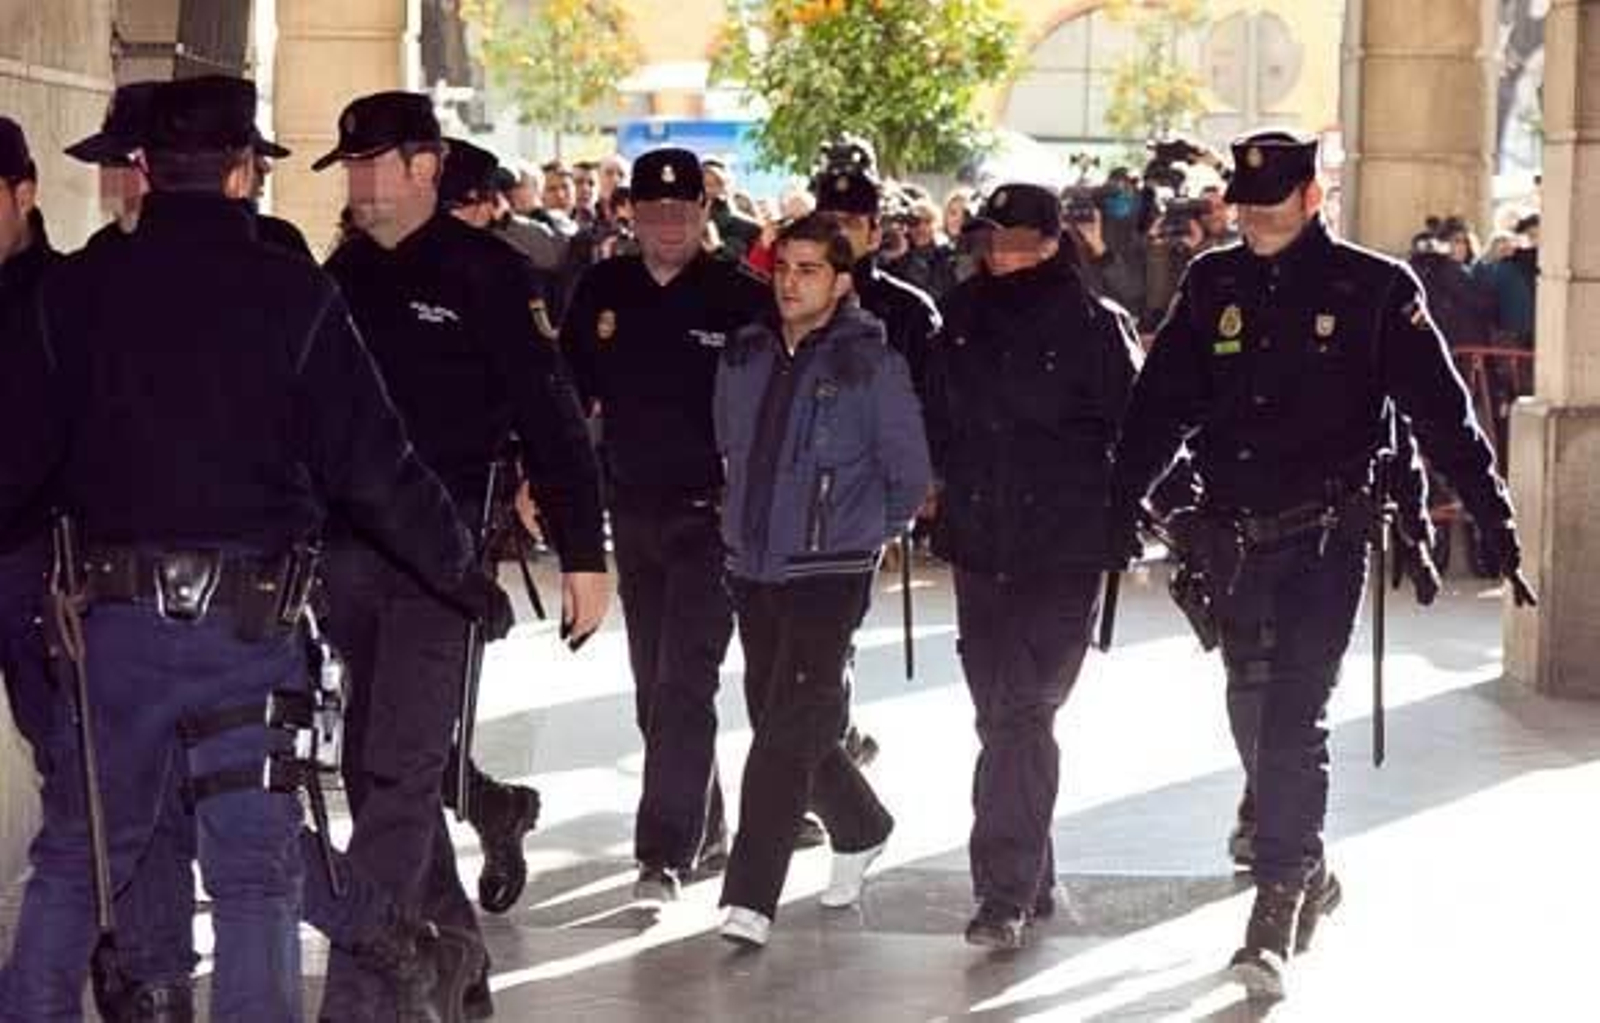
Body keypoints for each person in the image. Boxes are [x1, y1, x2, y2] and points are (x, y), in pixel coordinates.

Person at [0, 74, 508, 1022]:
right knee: (253, 877)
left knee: (75, 858)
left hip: (113, 632)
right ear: (242, 173)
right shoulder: (292, 288)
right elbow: (375, 460)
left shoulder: (75, 291)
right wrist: (459, 570)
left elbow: (18, 460)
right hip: (248, 628)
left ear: (144, 170)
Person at [1110, 128, 1534, 1001]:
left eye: (1272, 208)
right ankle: (1303, 859)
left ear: (1313, 199)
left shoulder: (1375, 290)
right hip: (1230, 535)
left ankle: (1275, 908)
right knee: (1251, 709)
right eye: (1245, 209)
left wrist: (1493, 518)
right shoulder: (1212, 282)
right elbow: (1159, 406)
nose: (1255, 223)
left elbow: (1440, 415)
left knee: (1294, 716)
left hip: (1326, 537)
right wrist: (1120, 504)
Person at [313, 91, 610, 1021]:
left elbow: (552, 417)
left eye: (374, 166)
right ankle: (455, 949)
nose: (360, 184)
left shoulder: (489, 272)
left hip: (441, 560)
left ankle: (369, 992)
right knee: (372, 768)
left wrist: (583, 550)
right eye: (350, 168)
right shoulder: (342, 274)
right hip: (345, 553)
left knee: (399, 773)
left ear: (425, 166)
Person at [924, 183, 1142, 951]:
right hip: (980, 542)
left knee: (1022, 712)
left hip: (1064, 549)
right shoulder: (958, 317)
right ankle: (1028, 871)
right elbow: (934, 416)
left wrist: (1143, 522)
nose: (1006, 253)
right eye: (996, 239)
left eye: (1022, 239)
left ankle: (1002, 892)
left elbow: (1137, 432)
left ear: (1055, 241)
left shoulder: (1095, 325)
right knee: (1001, 714)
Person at [561, 147, 772, 903]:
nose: (669, 225)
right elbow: (568, 393)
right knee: (653, 686)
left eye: (683, 211)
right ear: (631, 214)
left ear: (706, 212)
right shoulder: (603, 288)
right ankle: (705, 821)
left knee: (686, 680)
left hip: (713, 518)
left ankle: (663, 852)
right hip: (634, 510)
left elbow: (773, 410)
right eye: (654, 211)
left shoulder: (743, 296)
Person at [714, 213, 931, 947]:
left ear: (841, 282)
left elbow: (908, 475)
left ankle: (749, 897)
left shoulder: (872, 363)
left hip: (831, 568)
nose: (790, 281)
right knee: (787, 716)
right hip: (753, 563)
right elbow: (729, 446)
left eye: (808, 269)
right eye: (783, 268)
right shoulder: (744, 356)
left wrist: (865, 532)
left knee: (781, 733)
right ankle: (863, 824)